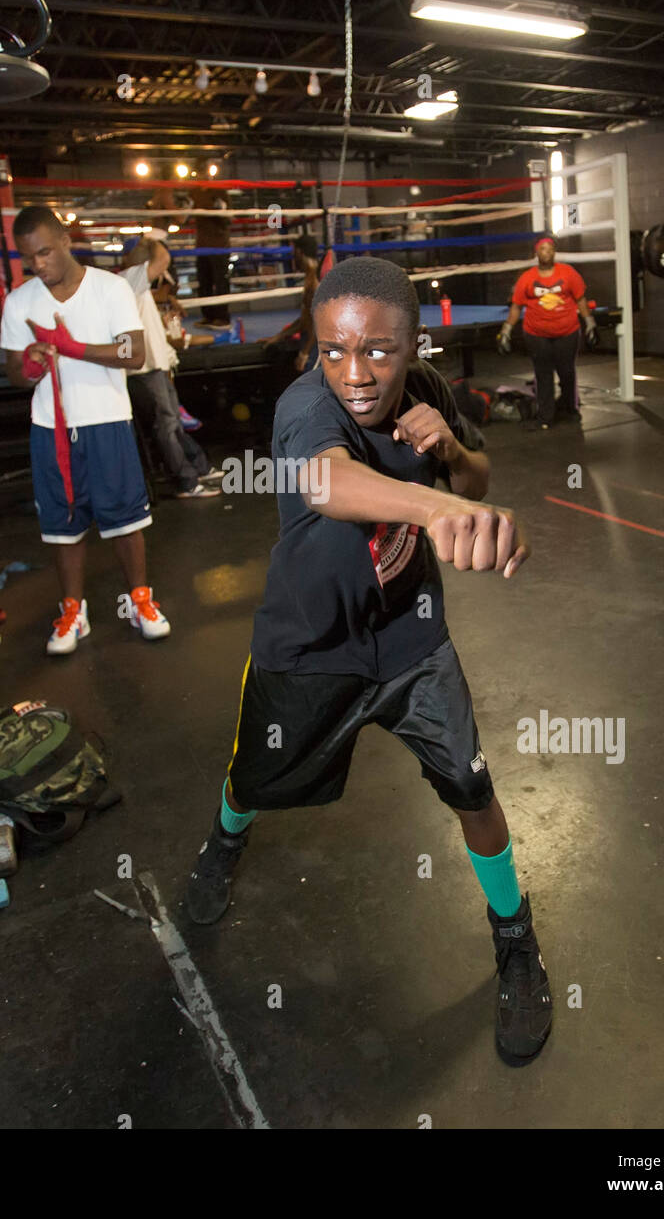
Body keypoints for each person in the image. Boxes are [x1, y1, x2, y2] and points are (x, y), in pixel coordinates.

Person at [185, 255, 553, 1068]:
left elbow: (479, 472)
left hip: (414, 641)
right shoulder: (305, 405)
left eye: (379, 351)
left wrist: (452, 453)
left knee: (473, 788)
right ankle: (223, 843)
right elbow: (326, 481)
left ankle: (515, 938)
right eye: (334, 350)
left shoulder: (430, 390)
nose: (354, 373)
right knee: (253, 777)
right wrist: (439, 507)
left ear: (414, 344)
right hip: (312, 644)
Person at [0, 205, 171, 654]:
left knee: (127, 519)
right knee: (63, 525)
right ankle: (74, 611)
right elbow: (13, 371)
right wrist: (31, 365)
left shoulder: (110, 289)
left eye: (44, 253)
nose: (38, 264)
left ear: (65, 241)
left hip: (107, 419)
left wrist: (72, 347)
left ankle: (140, 601)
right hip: (50, 426)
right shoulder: (19, 302)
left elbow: (134, 353)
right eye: (27, 257)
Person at [120, 238, 224, 499]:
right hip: (145, 369)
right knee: (166, 424)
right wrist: (151, 239)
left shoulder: (131, 285)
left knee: (172, 421)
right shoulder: (129, 278)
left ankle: (198, 467)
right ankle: (186, 481)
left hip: (152, 366)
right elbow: (162, 258)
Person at [497, 234, 598, 430]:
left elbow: (581, 299)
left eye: (551, 250)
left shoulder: (568, 273)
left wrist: (590, 323)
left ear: (554, 252)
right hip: (536, 334)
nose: (547, 253)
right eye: (543, 249)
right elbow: (516, 306)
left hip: (567, 332)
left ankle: (571, 410)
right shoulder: (527, 278)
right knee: (543, 375)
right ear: (537, 252)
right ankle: (545, 417)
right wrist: (506, 330)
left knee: (567, 372)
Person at [261, 234, 321, 372]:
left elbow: (318, 323)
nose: (292, 257)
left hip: (316, 345)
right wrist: (278, 336)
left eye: (294, 252)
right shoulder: (310, 278)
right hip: (311, 342)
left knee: (315, 384)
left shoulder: (314, 282)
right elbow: (305, 320)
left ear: (299, 252)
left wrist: (305, 353)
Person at [194, 189, 232, 329]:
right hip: (202, 246)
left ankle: (222, 317)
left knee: (221, 282)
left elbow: (228, 219)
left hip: (219, 245)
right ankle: (208, 316)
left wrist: (216, 207)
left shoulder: (220, 192)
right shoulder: (194, 192)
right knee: (204, 282)